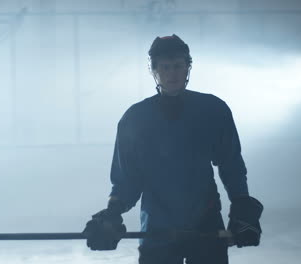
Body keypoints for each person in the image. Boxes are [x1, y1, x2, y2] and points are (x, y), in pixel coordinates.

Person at [83, 34, 263, 264]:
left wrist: (241, 204)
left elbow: (231, 164)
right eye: (165, 67)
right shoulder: (135, 119)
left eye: (178, 66)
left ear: (188, 68)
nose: (172, 73)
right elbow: (127, 178)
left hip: (205, 224)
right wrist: (112, 212)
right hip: (158, 228)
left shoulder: (212, 110)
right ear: (154, 70)